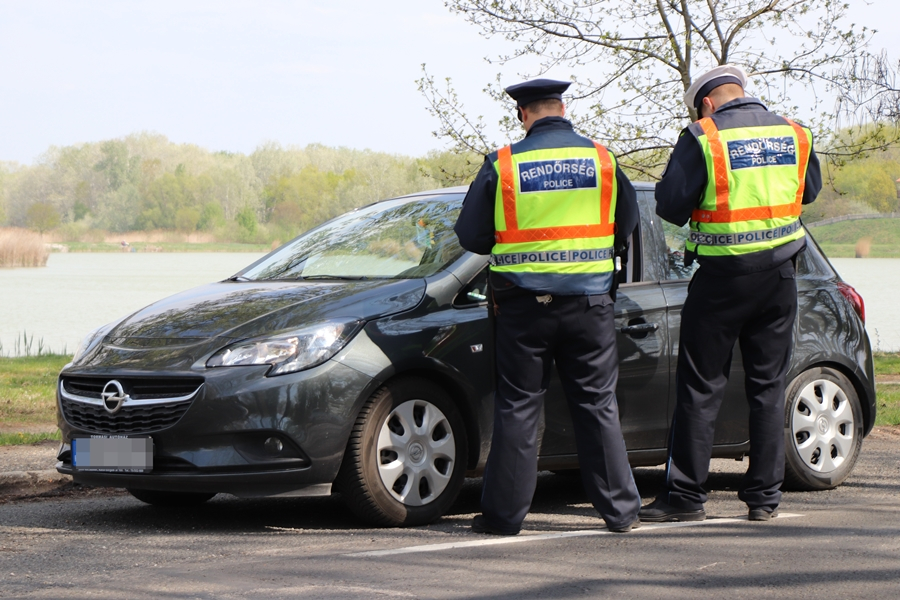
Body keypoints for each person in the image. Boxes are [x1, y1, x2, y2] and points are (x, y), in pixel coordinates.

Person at [454, 78, 642, 535]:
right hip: (590, 303)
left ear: (523, 114)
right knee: (598, 405)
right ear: (562, 108)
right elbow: (629, 223)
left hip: (523, 309)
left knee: (518, 407)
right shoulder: (602, 158)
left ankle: (503, 518)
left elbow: (471, 236)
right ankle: (620, 512)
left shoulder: (503, 164)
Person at [641, 64, 822, 523]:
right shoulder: (794, 132)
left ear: (706, 102)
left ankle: (685, 496)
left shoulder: (703, 135)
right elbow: (810, 191)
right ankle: (764, 499)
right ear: (740, 92)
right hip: (781, 277)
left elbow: (670, 206)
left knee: (701, 387)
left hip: (724, 279)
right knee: (767, 388)